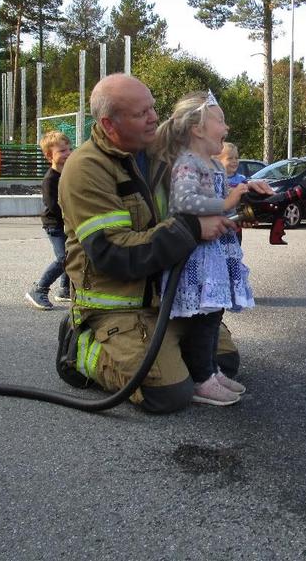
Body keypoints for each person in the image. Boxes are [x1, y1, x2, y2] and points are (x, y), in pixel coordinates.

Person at [56, 74, 242, 413]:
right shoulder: (86, 168)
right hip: (118, 305)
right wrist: (192, 229)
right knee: (169, 395)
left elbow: (200, 191)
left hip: (164, 296)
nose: (155, 117)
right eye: (142, 113)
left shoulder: (161, 153)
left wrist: (238, 206)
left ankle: (171, 352)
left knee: (224, 361)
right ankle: (82, 348)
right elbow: (112, 253)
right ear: (110, 124)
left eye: (153, 108)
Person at [154, 92, 271, 406]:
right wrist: (226, 203)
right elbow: (184, 202)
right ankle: (202, 378)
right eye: (220, 120)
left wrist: (240, 200)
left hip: (214, 251)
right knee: (202, 318)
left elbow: (217, 203)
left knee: (213, 314)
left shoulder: (212, 165)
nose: (227, 127)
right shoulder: (187, 162)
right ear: (197, 129)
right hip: (197, 257)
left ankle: (211, 370)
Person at [25, 131, 72, 310]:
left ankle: (64, 290)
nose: (67, 153)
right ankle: (39, 289)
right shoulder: (50, 180)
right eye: (61, 151)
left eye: (69, 149)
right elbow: (54, 206)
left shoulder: (68, 174)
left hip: (67, 222)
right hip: (55, 224)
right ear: (49, 156)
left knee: (72, 253)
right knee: (64, 258)